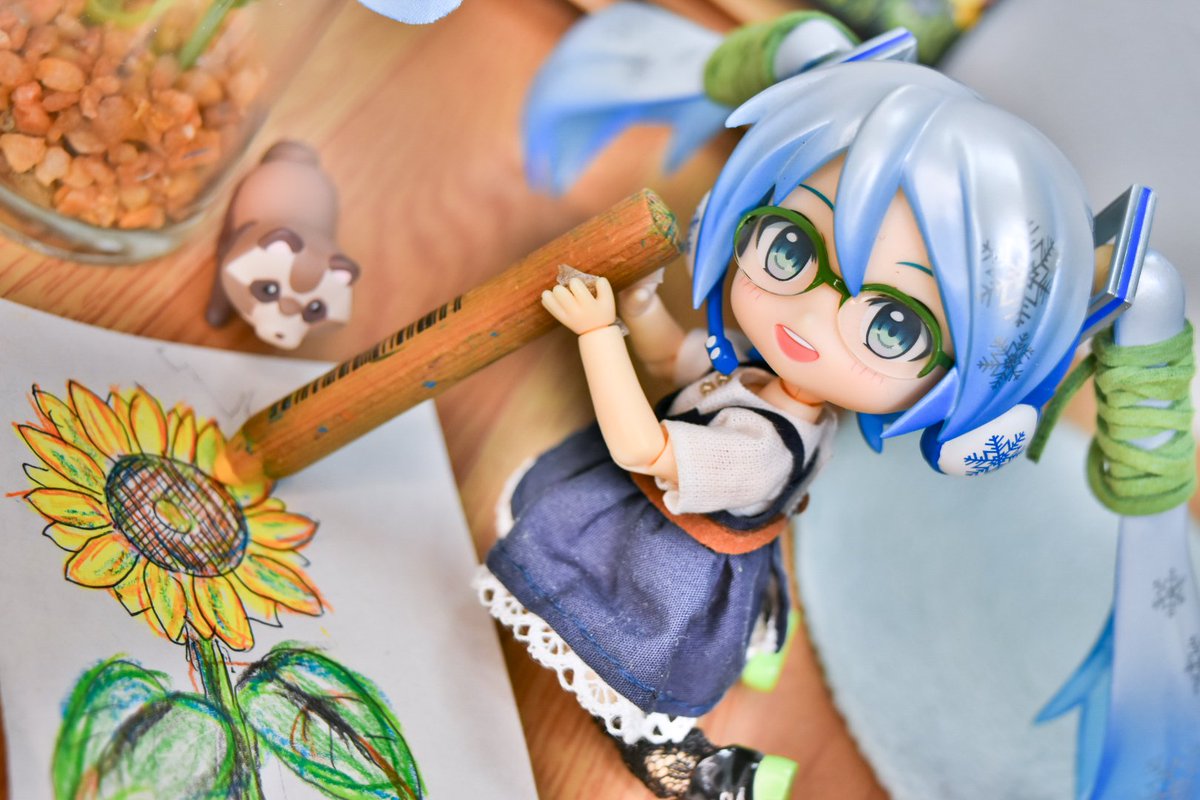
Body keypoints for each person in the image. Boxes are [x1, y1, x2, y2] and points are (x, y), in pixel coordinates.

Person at [478, 10, 1120, 800]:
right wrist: (640, 312)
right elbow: (683, 365)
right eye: (791, 248)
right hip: (692, 526)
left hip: (667, 569)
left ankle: (704, 770)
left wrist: (597, 334)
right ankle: (747, 646)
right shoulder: (769, 388)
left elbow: (644, 447)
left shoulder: (760, 449)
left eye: (893, 326)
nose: (812, 316)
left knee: (634, 688)